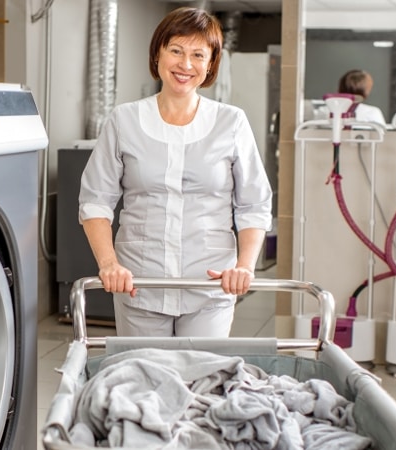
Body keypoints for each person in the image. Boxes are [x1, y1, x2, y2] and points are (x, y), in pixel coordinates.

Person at [77, 7, 272, 338]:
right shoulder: (124, 120)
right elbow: (95, 201)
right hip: (140, 284)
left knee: (199, 381)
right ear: (158, 55)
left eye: (198, 54)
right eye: (176, 51)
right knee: (143, 381)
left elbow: (254, 204)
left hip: (209, 284)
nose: (186, 65)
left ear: (211, 64)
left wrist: (244, 266)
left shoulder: (231, 122)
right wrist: (109, 263)